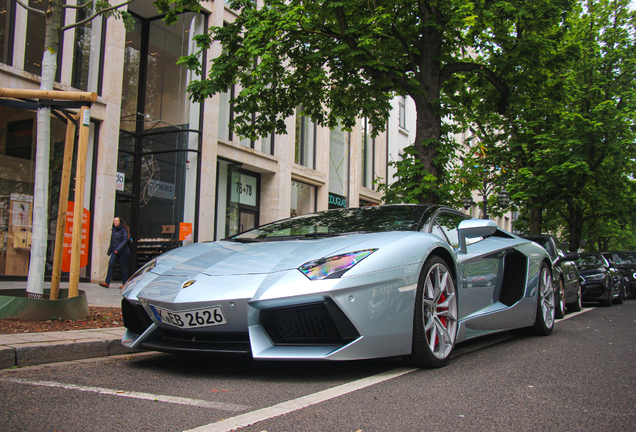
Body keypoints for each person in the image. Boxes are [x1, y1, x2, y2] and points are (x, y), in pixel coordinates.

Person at [99, 217, 130, 289]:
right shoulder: (113, 230)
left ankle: (124, 283)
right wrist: (109, 251)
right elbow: (112, 241)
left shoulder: (123, 230)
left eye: (117, 221)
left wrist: (118, 249)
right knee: (110, 264)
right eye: (114, 221)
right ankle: (107, 282)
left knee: (124, 267)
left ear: (120, 222)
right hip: (115, 251)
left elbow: (125, 240)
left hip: (123, 251)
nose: (115, 222)